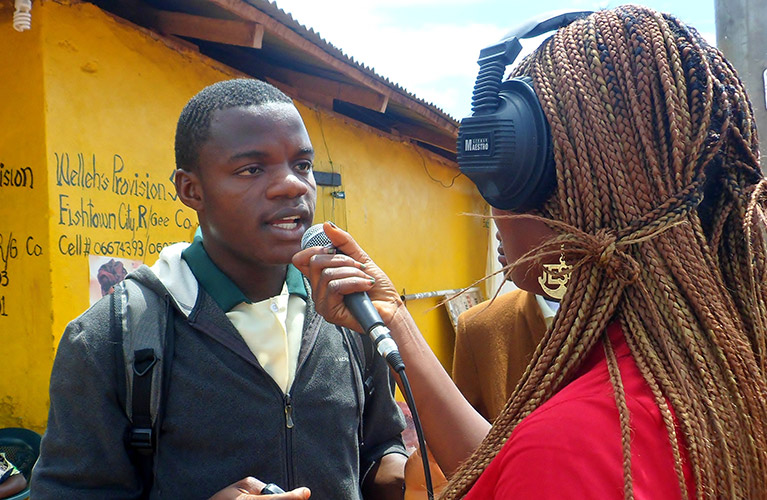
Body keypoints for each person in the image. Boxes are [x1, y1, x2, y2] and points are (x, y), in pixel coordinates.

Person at [294, 6, 767, 499]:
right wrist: (394, 319)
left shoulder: (572, 447)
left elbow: (543, 466)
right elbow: (500, 469)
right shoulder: (711, 374)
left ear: (535, 176)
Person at [32, 78, 407, 499]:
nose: (293, 185)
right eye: (252, 169)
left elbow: (380, 446)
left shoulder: (347, 308)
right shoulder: (109, 338)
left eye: (302, 165)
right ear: (191, 190)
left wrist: (400, 472)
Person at [452, 231, 551, 422]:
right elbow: (460, 444)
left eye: (523, 209)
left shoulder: (623, 327)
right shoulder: (479, 328)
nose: (499, 233)